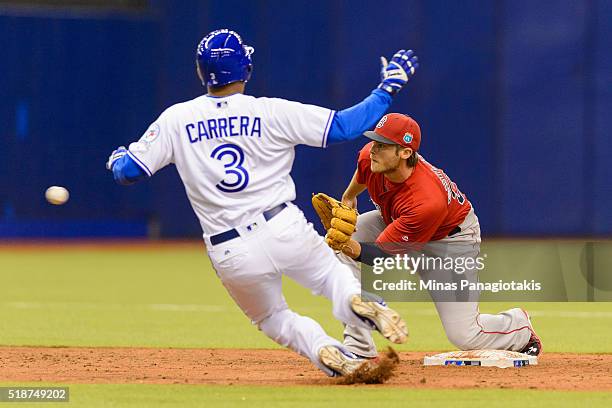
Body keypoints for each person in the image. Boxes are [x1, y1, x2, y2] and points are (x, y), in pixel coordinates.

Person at [105, 29, 419, 377]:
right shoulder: (270, 111)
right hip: (282, 225)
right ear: (246, 68)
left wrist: (118, 157)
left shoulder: (176, 119)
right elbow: (345, 127)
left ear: (200, 72)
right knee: (333, 278)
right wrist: (387, 87)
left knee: (272, 318)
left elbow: (128, 171)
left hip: (230, 249)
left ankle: (322, 348)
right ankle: (354, 303)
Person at [333, 113, 543, 359]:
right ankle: (359, 345)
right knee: (350, 233)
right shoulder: (371, 158)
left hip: (450, 241)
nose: (374, 150)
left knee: (465, 335)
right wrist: (348, 198)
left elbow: (381, 257)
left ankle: (517, 327)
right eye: (375, 142)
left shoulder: (426, 200)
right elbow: (360, 177)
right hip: (398, 221)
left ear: (405, 153)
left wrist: (348, 245)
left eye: (382, 145)